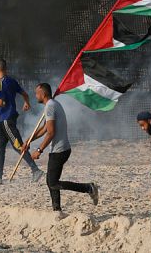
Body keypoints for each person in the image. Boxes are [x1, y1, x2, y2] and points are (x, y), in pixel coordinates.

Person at [25, 83, 99, 214]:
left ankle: (88, 188)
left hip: (60, 150)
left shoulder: (50, 106)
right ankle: (57, 210)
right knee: (50, 182)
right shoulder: (52, 105)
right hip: (59, 149)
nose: (35, 95)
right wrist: (29, 140)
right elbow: (43, 129)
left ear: (43, 94)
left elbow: (51, 132)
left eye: (37, 93)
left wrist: (39, 150)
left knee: (52, 183)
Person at [0, 59, 43, 184]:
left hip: (7, 119)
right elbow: (24, 94)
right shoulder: (11, 80)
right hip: (4, 119)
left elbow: (0, 102)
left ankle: (35, 170)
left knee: (18, 145)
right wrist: (27, 103)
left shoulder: (0, 84)